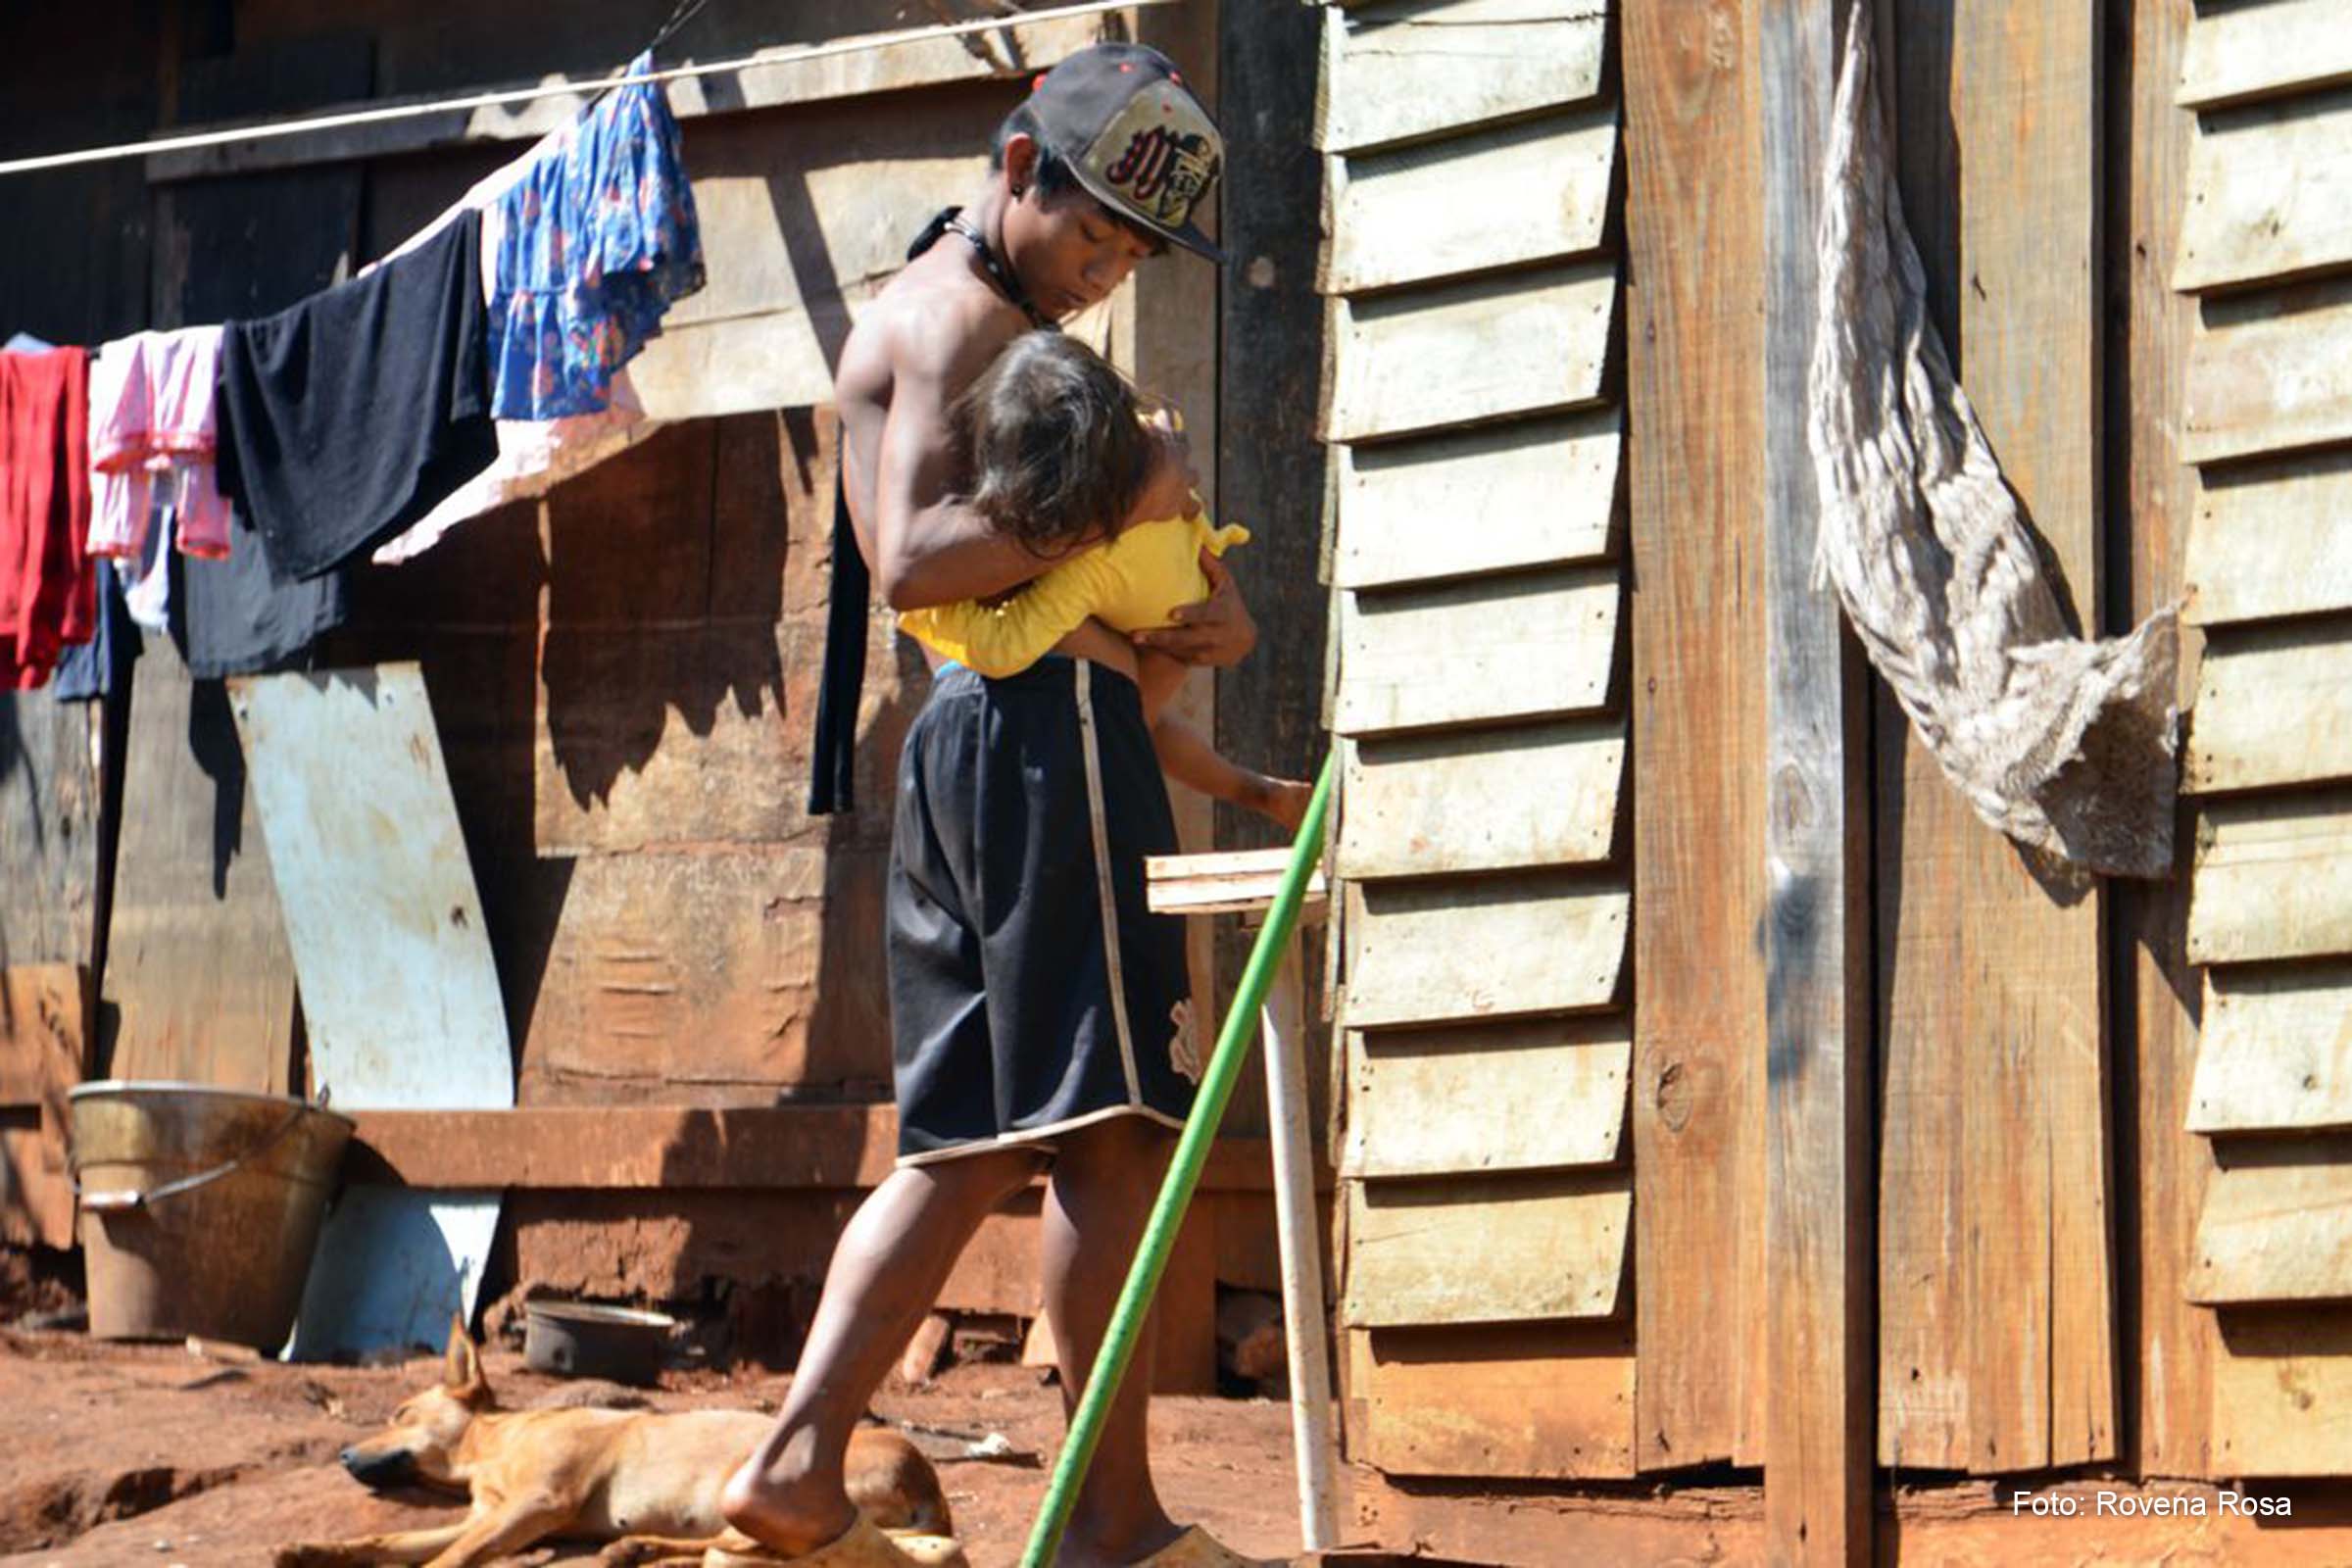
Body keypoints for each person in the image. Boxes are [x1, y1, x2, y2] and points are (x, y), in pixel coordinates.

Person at [721, 43, 1281, 1568]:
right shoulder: (960, 318)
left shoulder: (963, 318)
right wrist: (1128, 491)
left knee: (962, 1143)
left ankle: (794, 1467)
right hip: (1050, 745)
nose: (1107, 273)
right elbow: (912, 562)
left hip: (967, 746)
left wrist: (1183, 610)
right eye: (1095, 233)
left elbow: (1003, 570)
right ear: (1020, 165)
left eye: (1134, 254)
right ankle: (1110, 1520)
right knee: (1110, 1132)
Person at [899, 329, 1312, 833]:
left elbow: (1004, 646)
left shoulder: (1089, 567)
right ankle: (1259, 791)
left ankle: (1254, 790)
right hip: (1175, 595)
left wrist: (930, 611)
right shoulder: (1156, 444)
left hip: (1165, 639)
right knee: (1148, 727)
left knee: (1126, 732)